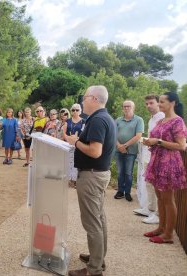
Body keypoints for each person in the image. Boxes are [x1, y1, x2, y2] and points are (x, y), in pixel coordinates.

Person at [65, 85, 116, 276]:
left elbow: (95, 151)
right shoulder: (104, 118)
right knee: (99, 218)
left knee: (92, 222)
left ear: (94, 99)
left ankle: (94, 270)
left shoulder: (97, 120)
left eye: (84, 97)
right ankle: (98, 258)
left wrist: (75, 142)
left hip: (92, 175)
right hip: (99, 174)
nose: (81, 101)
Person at [143, 92, 187, 244]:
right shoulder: (162, 120)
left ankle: (168, 234)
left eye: (162, 102)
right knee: (160, 198)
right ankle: (161, 228)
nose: (159, 104)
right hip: (157, 162)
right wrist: (150, 142)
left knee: (168, 199)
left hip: (168, 164)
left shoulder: (177, 121)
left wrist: (159, 142)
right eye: (159, 102)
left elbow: (181, 146)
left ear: (172, 103)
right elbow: (157, 139)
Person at [133, 95, 164, 224]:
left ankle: (157, 214)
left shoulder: (162, 118)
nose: (148, 106)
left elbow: (162, 139)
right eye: (146, 104)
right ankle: (150, 209)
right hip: (150, 154)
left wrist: (151, 141)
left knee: (157, 186)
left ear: (158, 103)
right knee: (149, 183)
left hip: (159, 156)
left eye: (151, 103)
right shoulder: (151, 119)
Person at [115, 100, 144, 202]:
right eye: (124, 106)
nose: (126, 108)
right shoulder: (118, 120)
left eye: (129, 106)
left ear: (133, 108)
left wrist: (125, 146)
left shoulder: (139, 120)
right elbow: (113, 134)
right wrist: (119, 146)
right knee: (119, 172)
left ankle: (127, 192)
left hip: (131, 151)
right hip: (118, 150)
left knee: (128, 173)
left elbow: (138, 136)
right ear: (122, 108)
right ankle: (120, 191)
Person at [63, 104, 85, 188]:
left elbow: (84, 134)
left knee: (76, 162)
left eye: (77, 110)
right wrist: (68, 139)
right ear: (71, 111)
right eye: (73, 110)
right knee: (68, 161)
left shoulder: (84, 121)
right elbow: (64, 132)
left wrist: (76, 140)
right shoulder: (67, 121)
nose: (75, 111)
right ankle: (68, 179)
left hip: (78, 144)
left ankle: (75, 180)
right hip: (68, 144)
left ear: (80, 111)